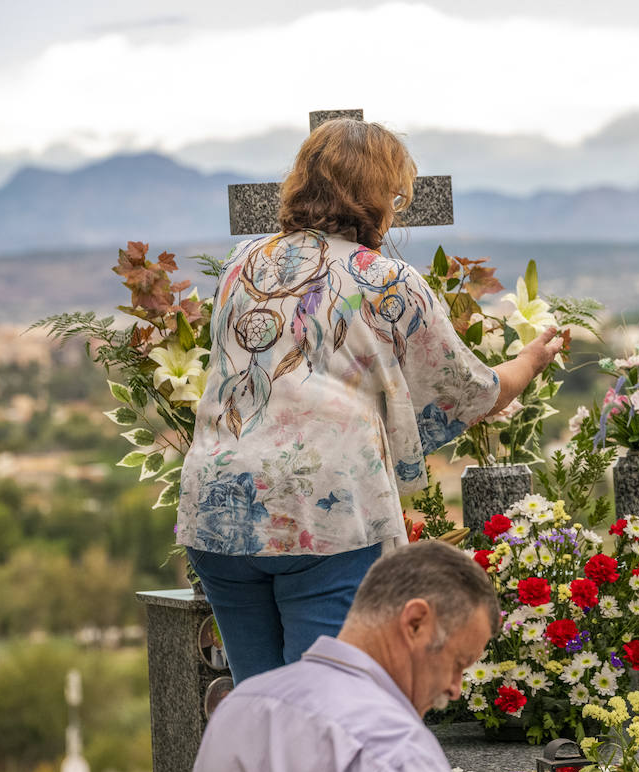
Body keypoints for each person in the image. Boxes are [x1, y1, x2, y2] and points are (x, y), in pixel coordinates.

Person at [176, 119, 563, 682]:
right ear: (382, 195)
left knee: (259, 700)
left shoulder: (242, 263)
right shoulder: (388, 281)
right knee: (325, 700)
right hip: (323, 511)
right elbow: (469, 391)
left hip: (217, 504)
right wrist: (531, 359)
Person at [192, 540, 501, 772]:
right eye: (459, 661)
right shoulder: (393, 747)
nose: (456, 687)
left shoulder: (235, 714)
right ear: (416, 622)